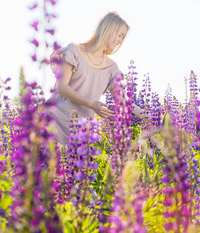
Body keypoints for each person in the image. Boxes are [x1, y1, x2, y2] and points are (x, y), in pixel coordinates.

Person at [48, 11, 145, 145]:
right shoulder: (74, 50)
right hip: (53, 122)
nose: (120, 41)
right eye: (120, 35)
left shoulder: (111, 68)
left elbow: (122, 101)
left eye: (123, 37)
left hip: (80, 133)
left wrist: (148, 116)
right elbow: (62, 87)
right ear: (108, 29)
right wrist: (91, 104)